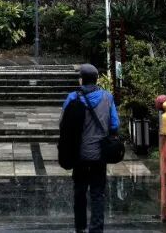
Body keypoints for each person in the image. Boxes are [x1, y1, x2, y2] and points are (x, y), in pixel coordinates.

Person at [61, 63, 119, 233]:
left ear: (81, 80)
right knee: (97, 193)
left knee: (79, 191)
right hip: (100, 155)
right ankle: (96, 228)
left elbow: (63, 124)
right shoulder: (107, 97)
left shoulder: (72, 98)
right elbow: (115, 124)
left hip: (79, 154)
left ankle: (80, 227)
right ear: (96, 79)